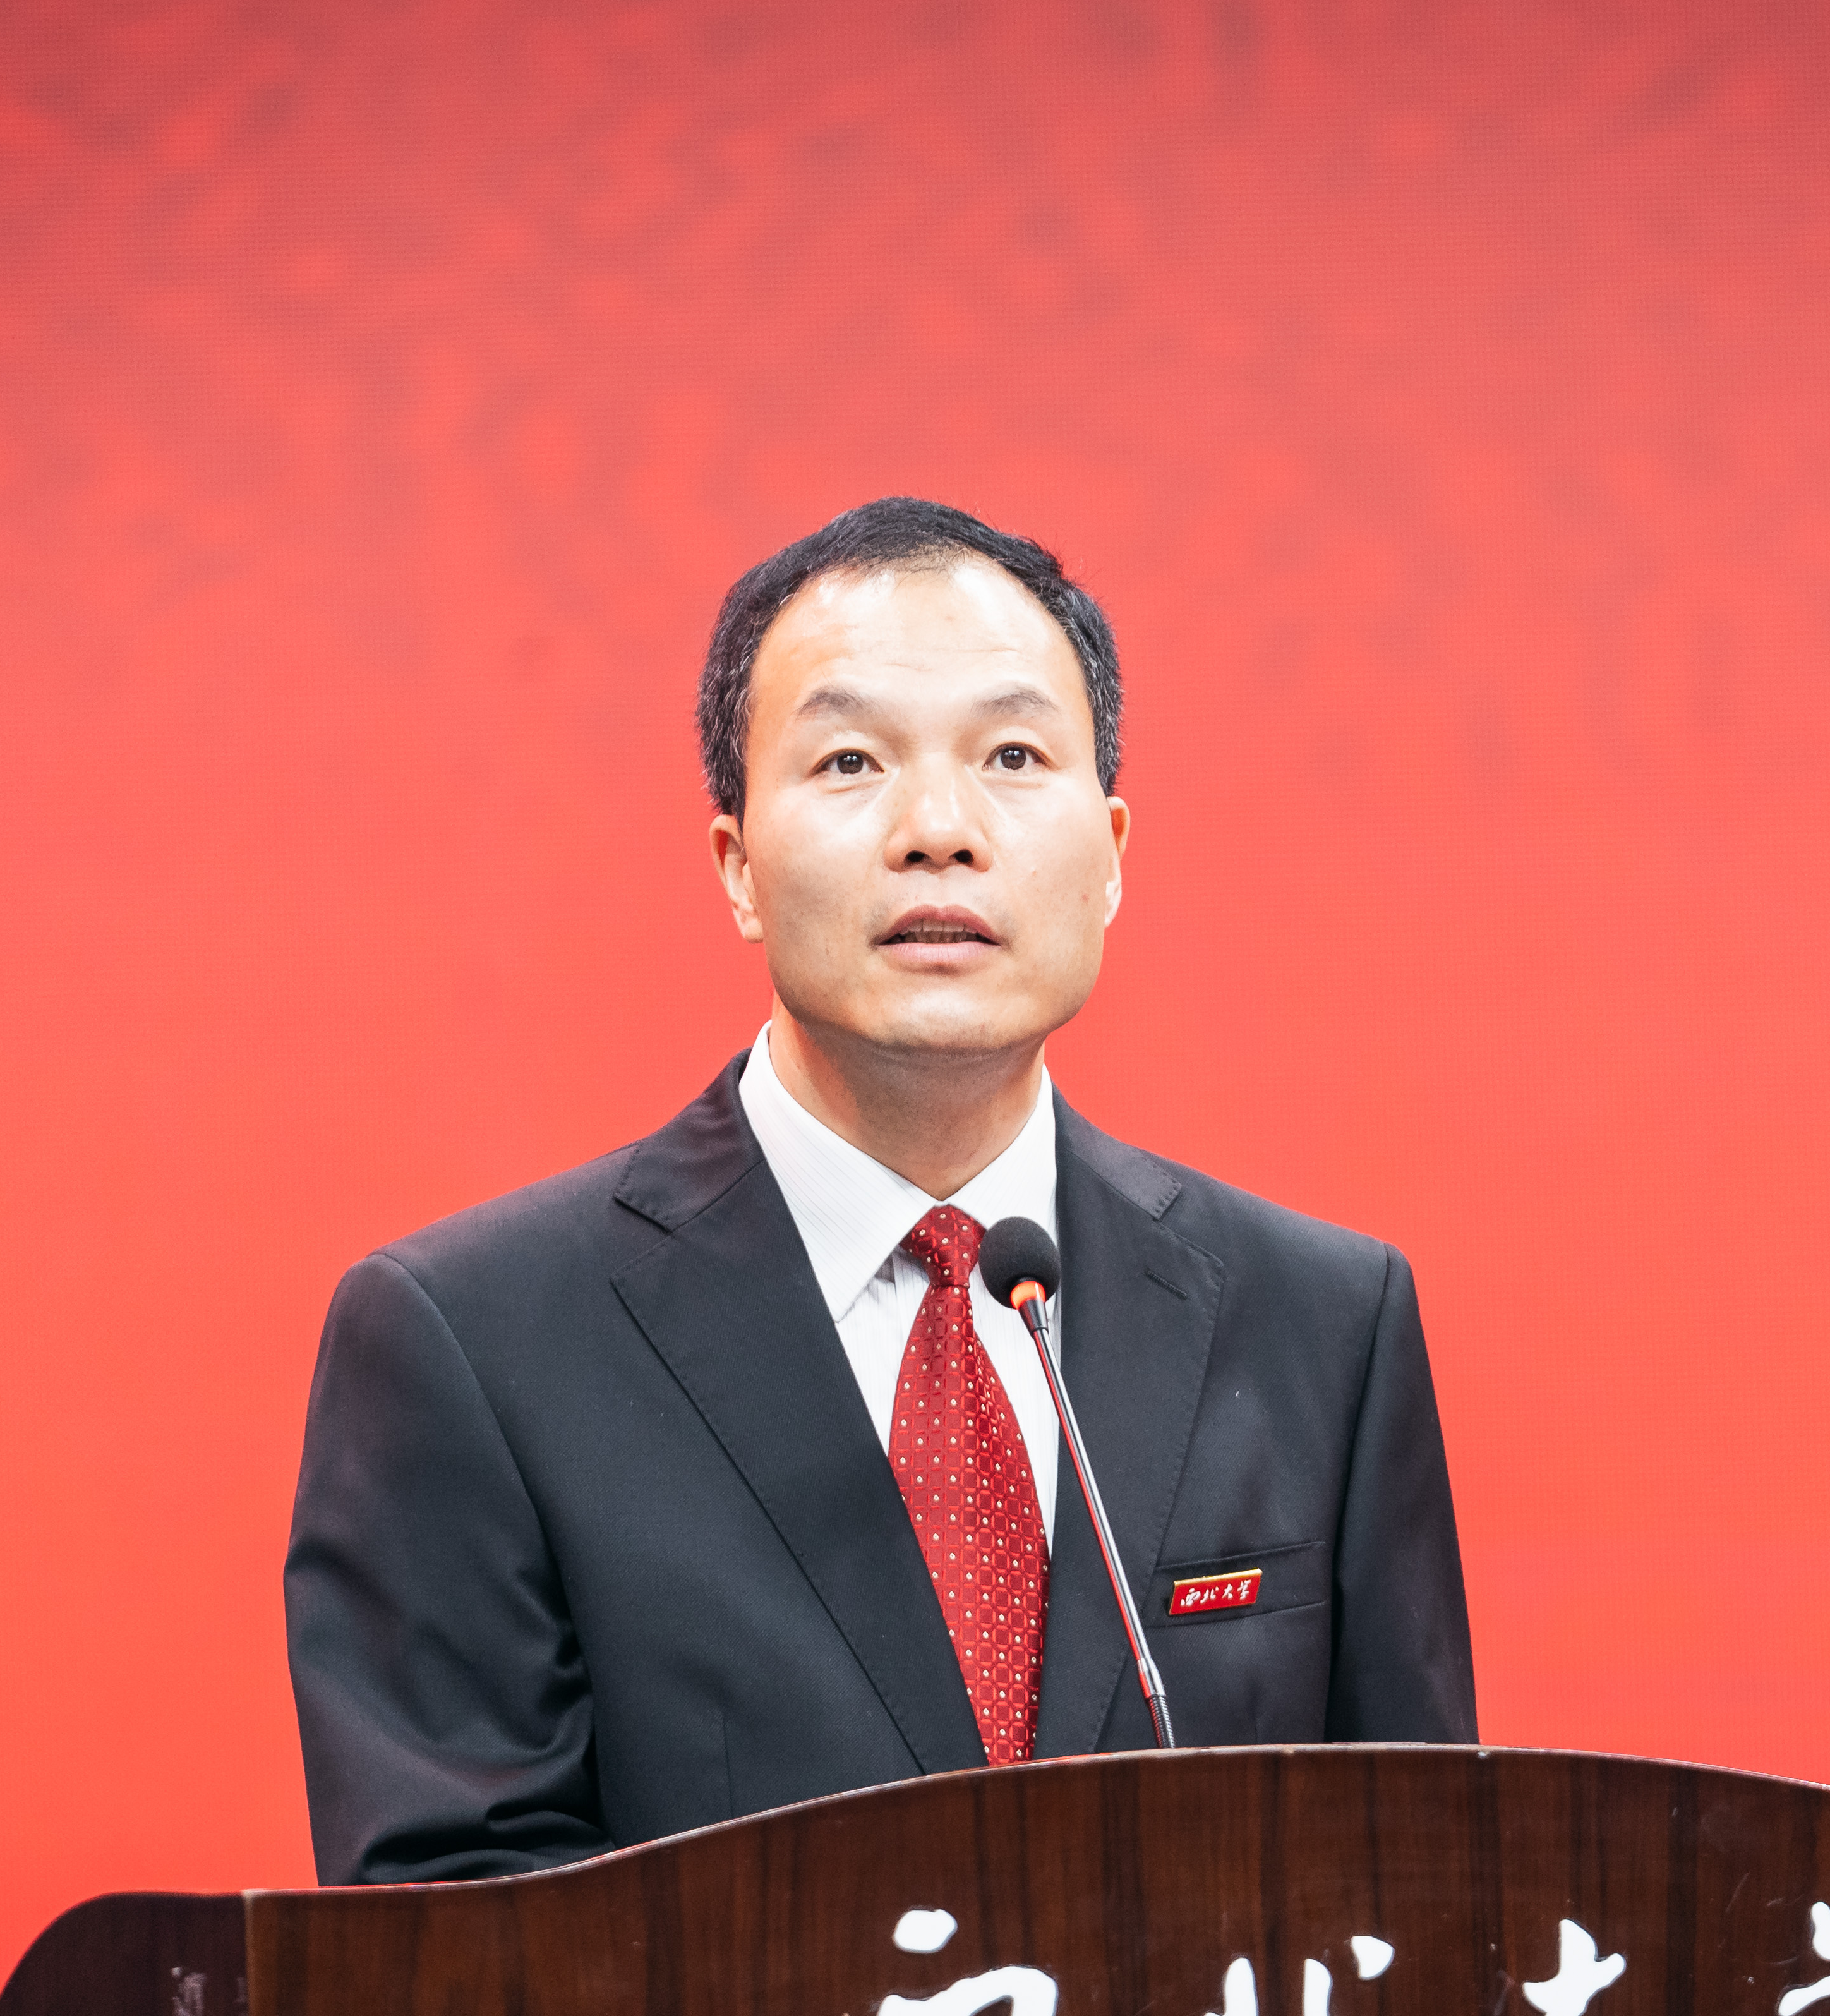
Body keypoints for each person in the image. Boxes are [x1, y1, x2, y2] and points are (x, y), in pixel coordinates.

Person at [284, 497, 1476, 1883]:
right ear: (738, 866)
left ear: (1111, 857)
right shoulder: (474, 1344)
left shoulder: (1322, 1324)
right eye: (850, 760)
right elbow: (448, 1942)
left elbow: (1423, 1890)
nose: (939, 830)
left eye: (1013, 756)